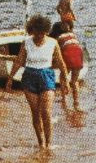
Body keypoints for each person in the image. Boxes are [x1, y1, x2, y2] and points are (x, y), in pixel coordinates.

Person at [7, 13, 62, 149]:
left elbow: (60, 61)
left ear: (46, 31)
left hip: (47, 75)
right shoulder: (26, 42)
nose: (39, 36)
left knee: (46, 112)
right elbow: (19, 60)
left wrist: (65, 80)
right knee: (36, 112)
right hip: (30, 76)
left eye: (42, 33)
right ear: (32, 31)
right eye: (37, 33)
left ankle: (49, 143)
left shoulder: (53, 43)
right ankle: (41, 143)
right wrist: (10, 78)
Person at [52, 16, 86, 111]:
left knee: (63, 78)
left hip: (68, 54)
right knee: (75, 81)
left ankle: (64, 99)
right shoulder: (74, 35)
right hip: (79, 55)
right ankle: (76, 104)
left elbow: (56, 52)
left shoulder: (58, 38)